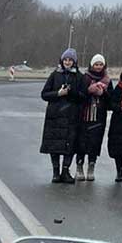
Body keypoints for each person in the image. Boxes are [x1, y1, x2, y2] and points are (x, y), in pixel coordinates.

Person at [40, 48, 85, 184]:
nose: (67, 62)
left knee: (70, 145)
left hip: (72, 116)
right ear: (62, 60)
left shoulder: (79, 77)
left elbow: (83, 96)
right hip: (55, 115)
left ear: (74, 62)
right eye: (65, 59)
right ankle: (55, 172)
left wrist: (71, 93)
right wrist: (58, 94)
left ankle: (65, 171)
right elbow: (44, 94)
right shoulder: (55, 75)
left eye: (70, 60)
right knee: (54, 144)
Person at [75, 54, 111, 182]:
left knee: (94, 143)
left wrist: (103, 93)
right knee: (81, 143)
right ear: (92, 65)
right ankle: (79, 166)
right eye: (96, 64)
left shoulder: (107, 80)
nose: (98, 67)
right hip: (84, 115)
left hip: (98, 117)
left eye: (101, 64)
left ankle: (91, 166)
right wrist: (88, 91)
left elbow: (111, 101)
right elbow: (78, 95)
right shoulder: (85, 78)